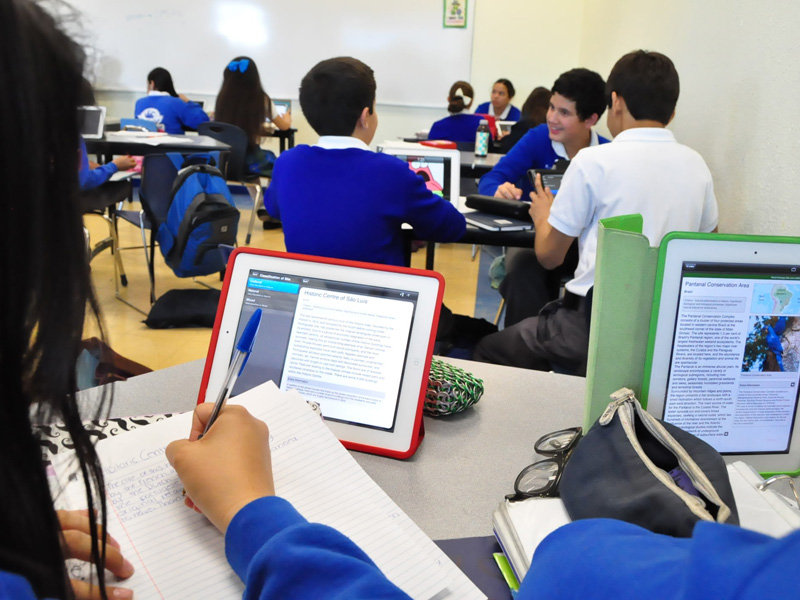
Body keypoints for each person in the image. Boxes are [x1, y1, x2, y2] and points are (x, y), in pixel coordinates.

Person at [473, 50, 719, 375]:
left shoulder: (594, 161)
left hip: (592, 325)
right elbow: (709, 249)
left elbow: (549, 256)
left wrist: (543, 214)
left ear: (614, 103)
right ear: (672, 113)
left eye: (564, 111)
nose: (553, 118)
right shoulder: (697, 165)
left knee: (486, 350)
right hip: (665, 328)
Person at [263, 57, 465, 267]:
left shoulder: (287, 163)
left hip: (308, 286)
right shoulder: (391, 172)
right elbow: (452, 227)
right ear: (365, 116)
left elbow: (274, 208)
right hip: (380, 288)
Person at [480, 69, 609, 326]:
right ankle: (526, 344)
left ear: (590, 119)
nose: (552, 117)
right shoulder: (538, 138)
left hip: (585, 248)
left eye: (564, 113)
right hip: (534, 241)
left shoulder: (606, 152)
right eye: (551, 107)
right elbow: (490, 179)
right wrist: (499, 190)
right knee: (524, 271)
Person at [214, 56, 291, 178]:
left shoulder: (222, 98)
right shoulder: (262, 99)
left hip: (222, 159)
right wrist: (287, 117)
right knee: (276, 162)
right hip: (249, 160)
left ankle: (253, 191)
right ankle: (263, 191)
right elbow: (284, 126)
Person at [134, 67, 209, 134]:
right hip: (171, 144)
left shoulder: (139, 103)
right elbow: (202, 122)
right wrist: (188, 102)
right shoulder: (176, 102)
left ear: (152, 83)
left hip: (144, 145)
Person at [495, 86, 550, 154]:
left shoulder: (519, 128)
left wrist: (506, 138)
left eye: (501, 93)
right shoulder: (547, 133)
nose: (496, 96)